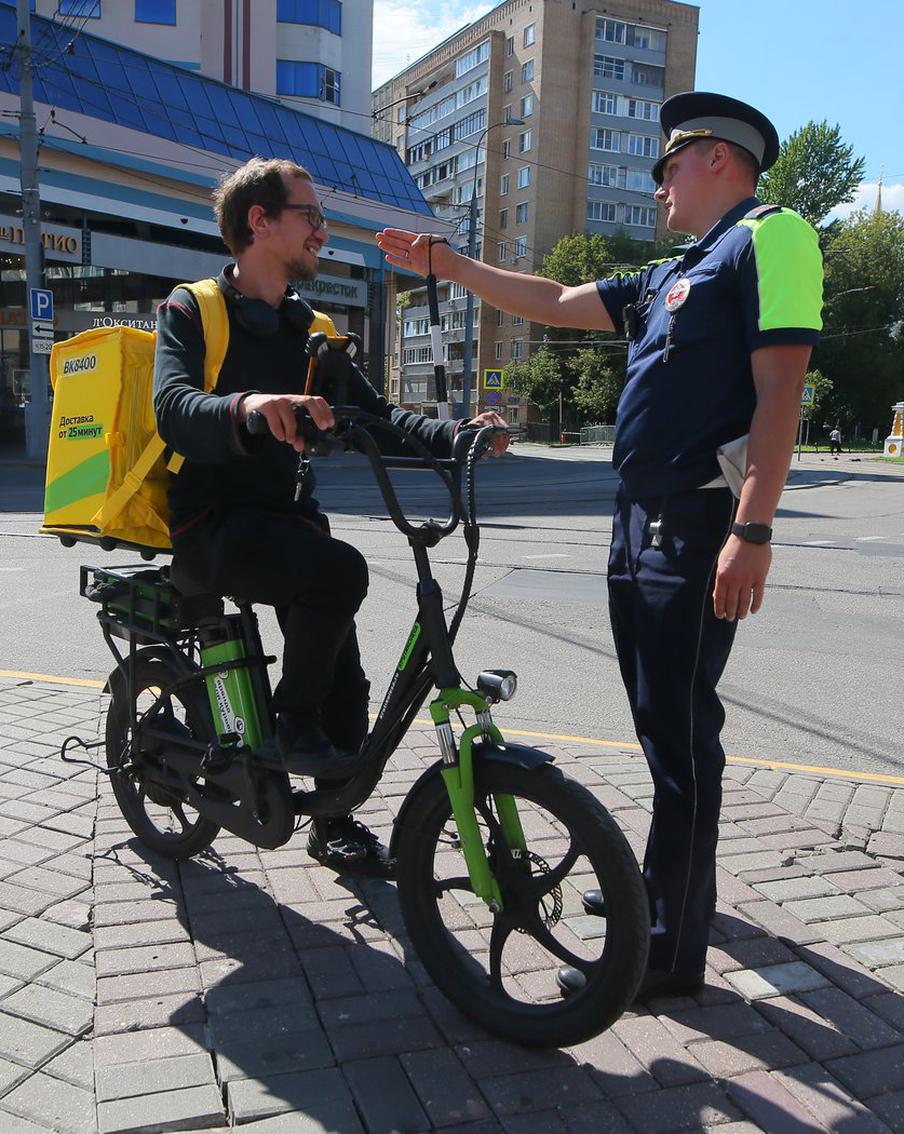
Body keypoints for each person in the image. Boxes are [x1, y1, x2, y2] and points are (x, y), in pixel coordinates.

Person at [377, 92, 823, 998]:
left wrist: (753, 529)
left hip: (699, 523)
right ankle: (669, 890)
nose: (658, 187)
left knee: (682, 733)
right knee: (662, 724)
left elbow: (782, 392)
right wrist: (453, 263)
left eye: (667, 169)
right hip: (638, 517)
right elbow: (549, 298)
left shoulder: (771, 234)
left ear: (717, 161)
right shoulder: (671, 271)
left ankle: (665, 946)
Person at [154, 157, 507, 875]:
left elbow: (377, 420)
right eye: (310, 216)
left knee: (347, 684)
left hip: (285, 527)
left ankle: (331, 820)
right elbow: (174, 409)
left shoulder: (312, 330)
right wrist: (251, 407)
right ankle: (287, 724)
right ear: (260, 221)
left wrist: (460, 436)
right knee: (338, 573)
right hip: (210, 524)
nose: (323, 231)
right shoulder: (192, 309)